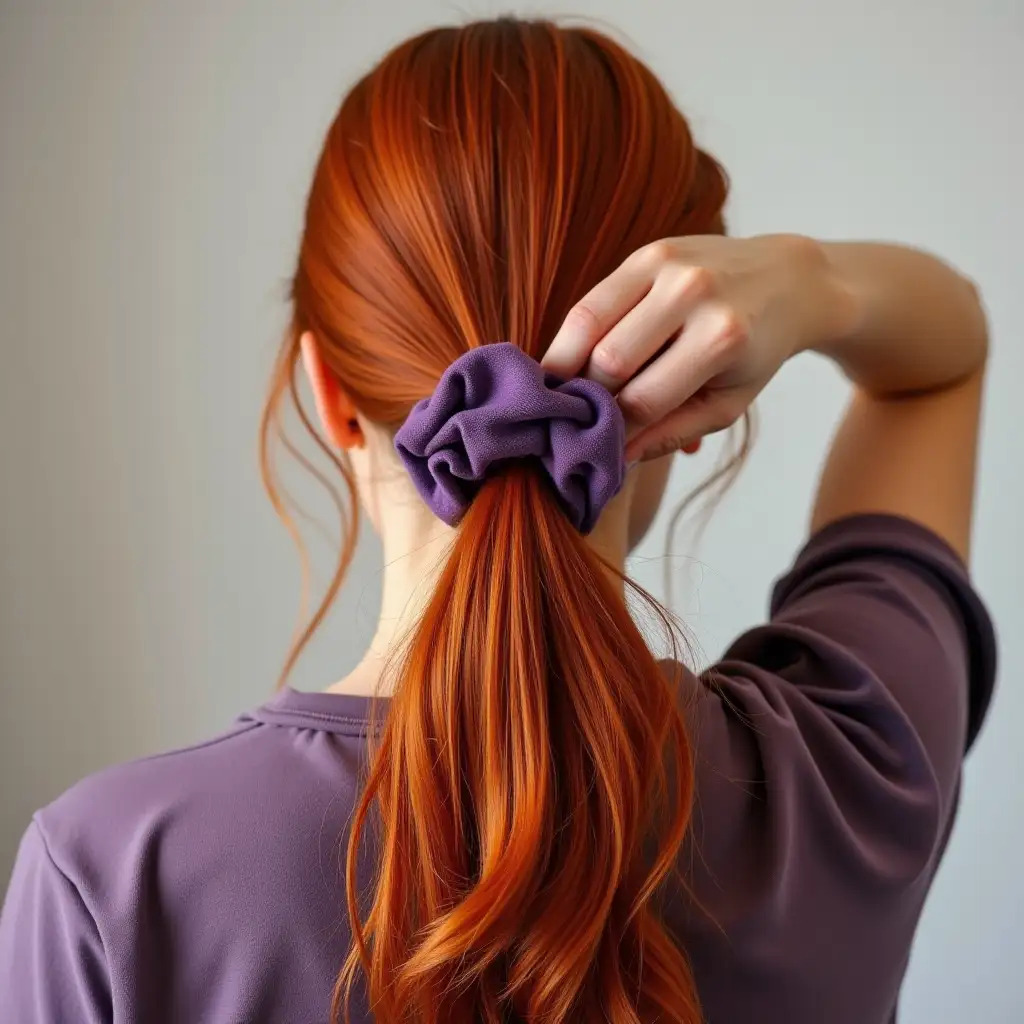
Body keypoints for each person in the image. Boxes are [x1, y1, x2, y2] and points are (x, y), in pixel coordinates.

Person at [0, 18, 995, 1024]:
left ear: (326, 393)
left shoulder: (115, 878)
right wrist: (810, 281)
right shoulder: (849, 766)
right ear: (696, 398)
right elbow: (940, 358)